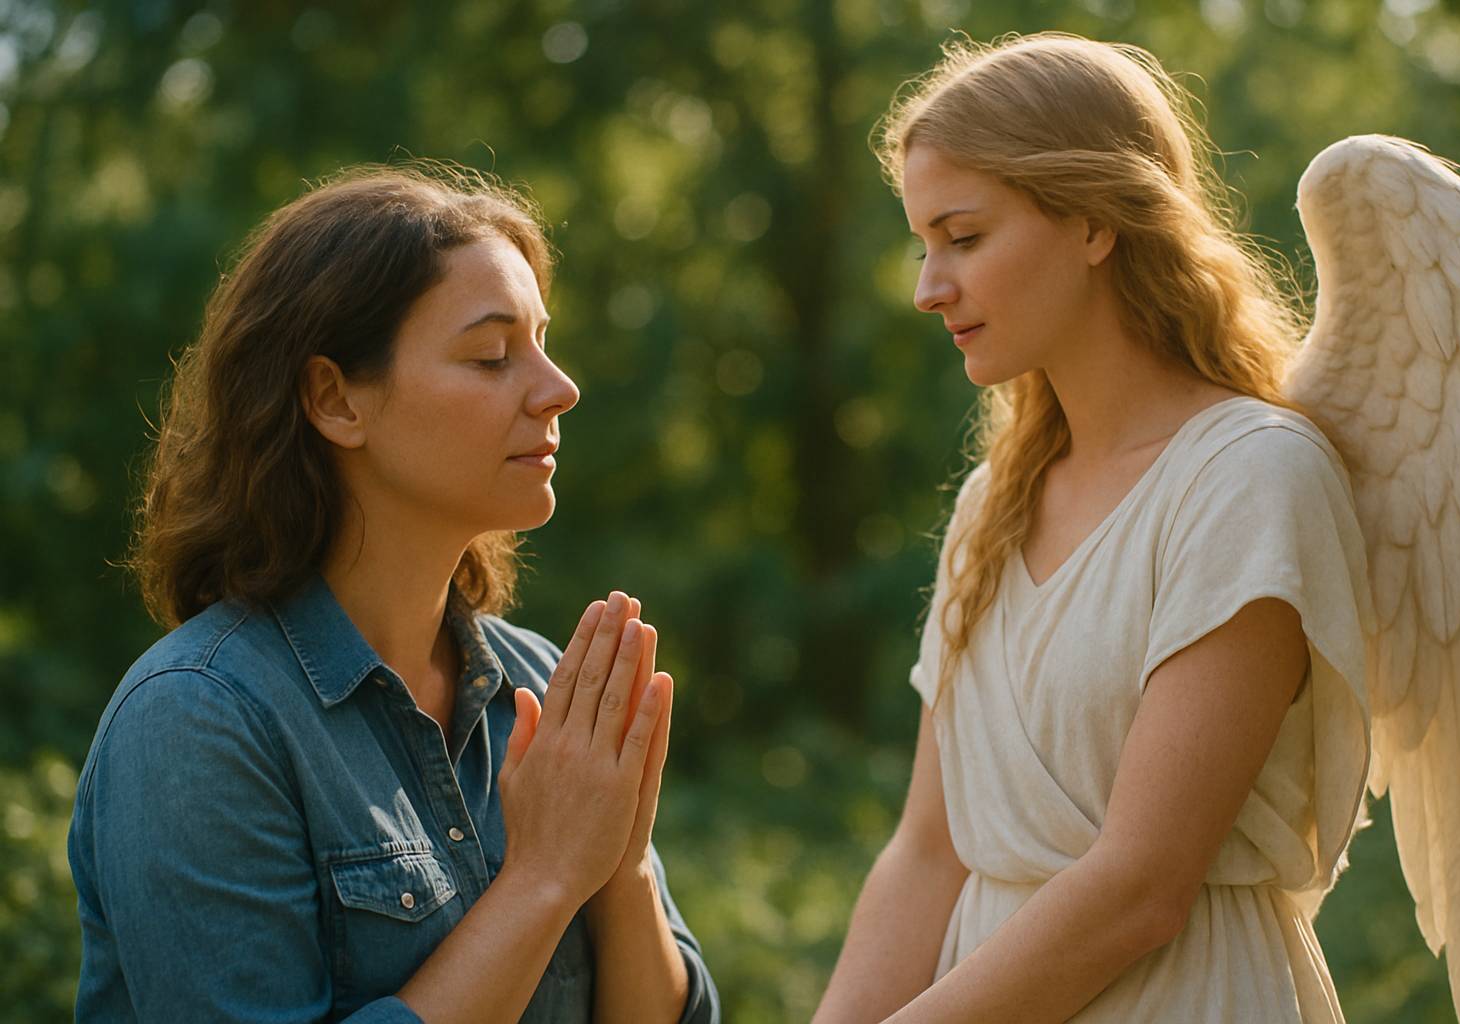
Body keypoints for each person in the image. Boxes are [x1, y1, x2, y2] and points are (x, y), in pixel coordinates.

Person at [67, 165, 720, 1023]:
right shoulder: (196, 721)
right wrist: (545, 878)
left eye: (541, 341)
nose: (558, 387)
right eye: (492, 355)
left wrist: (619, 863)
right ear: (336, 399)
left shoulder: (543, 685)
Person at [816, 33, 1372, 1023]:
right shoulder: (996, 500)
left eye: (966, 237)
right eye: (922, 243)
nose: (927, 286)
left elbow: (1141, 889)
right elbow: (929, 852)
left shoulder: (1248, 475)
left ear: (1092, 223)